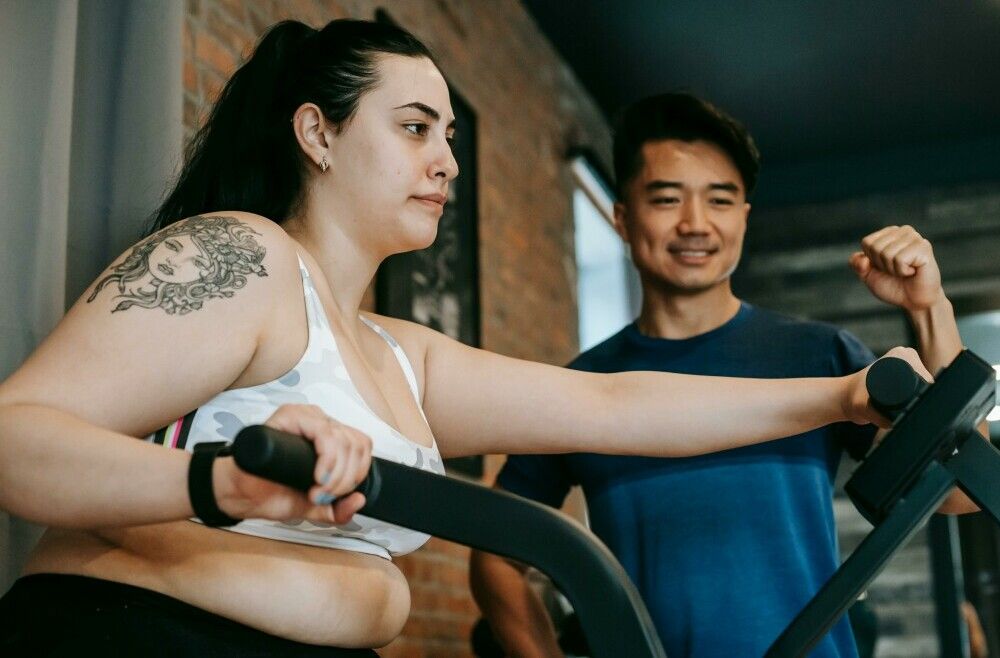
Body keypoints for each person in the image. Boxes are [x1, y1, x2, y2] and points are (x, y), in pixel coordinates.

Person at [0, 21, 920, 656]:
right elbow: (16, 436)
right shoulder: (243, 256)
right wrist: (217, 482)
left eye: (447, 132)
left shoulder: (404, 354)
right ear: (317, 134)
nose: (445, 159)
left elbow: (612, 402)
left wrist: (840, 396)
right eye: (413, 128)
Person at [470, 92, 971, 658]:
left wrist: (930, 310)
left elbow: (958, 494)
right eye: (665, 199)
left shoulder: (820, 356)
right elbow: (496, 552)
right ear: (622, 217)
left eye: (720, 200)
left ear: (743, 217)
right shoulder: (586, 387)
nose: (695, 224)